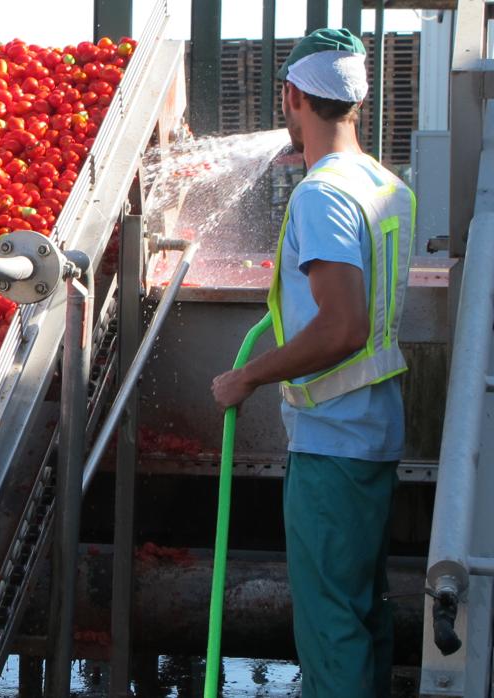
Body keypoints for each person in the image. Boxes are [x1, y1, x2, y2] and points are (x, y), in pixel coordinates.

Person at [210, 28, 416, 697]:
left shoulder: (323, 195)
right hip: (372, 433)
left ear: (292, 94)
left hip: (332, 443)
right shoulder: (386, 184)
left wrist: (249, 375)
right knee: (362, 615)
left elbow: (343, 327)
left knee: (331, 630)